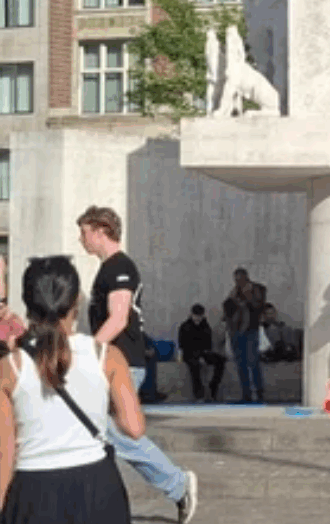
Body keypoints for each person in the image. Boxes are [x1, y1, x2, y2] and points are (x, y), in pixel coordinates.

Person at [0, 255, 142, 523]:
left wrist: (4, 509)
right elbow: (134, 428)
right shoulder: (107, 356)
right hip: (97, 487)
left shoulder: (9, 367)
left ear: (28, 305)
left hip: (33, 489)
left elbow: (5, 454)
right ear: (76, 301)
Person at [77, 205, 198, 524]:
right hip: (116, 362)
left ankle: (176, 483)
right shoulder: (110, 268)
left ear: (101, 230)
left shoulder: (121, 267)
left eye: (84, 232)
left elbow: (118, 318)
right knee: (99, 429)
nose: (81, 239)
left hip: (124, 363)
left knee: (113, 430)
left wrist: (86, 352)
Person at [225, 268, 266, 403]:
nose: (238, 282)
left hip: (250, 329)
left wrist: (248, 296)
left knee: (252, 361)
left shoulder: (257, 289)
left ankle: (259, 393)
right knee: (240, 363)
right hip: (236, 330)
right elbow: (228, 308)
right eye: (236, 280)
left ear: (246, 277)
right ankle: (246, 394)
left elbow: (258, 306)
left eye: (240, 279)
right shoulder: (234, 292)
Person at [178, 304, 226, 403]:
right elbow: (184, 345)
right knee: (195, 366)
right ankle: (199, 395)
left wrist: (203, 355)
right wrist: (198, 356)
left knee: (220, 360)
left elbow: (207, 344)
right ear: (191, 314)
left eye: (199, 316)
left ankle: (213, 386)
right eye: (196, 316)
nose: (197, 318)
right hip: (190, 354)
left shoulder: (205, 326)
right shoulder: (185, 326)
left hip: (203, 353)